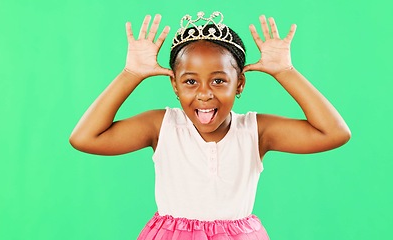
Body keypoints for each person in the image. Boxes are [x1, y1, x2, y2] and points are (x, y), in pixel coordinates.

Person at [69, 11, 351, 240]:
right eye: (190, 81)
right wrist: (130, 75)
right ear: (175, 86)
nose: (204, 93)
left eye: (219, 80)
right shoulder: (162, 126)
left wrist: (286, 72)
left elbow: (334, 132)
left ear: (239, 84)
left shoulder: (255, 131)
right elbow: (85, 138)